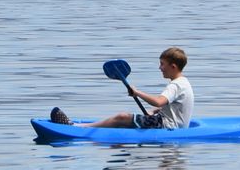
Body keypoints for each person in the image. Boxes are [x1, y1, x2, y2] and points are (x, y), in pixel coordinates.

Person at [53, 47, 192, 129]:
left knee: (122, 117)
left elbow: (159, 101)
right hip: (169, 122)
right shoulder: (183, 82)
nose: (160, 68)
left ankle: (77, 128)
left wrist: (137, 92)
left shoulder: (175, 85)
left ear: (173, 66)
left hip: (167, 126)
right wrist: (151, 112)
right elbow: (168, 107)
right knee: (130, 121)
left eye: (162, 64)